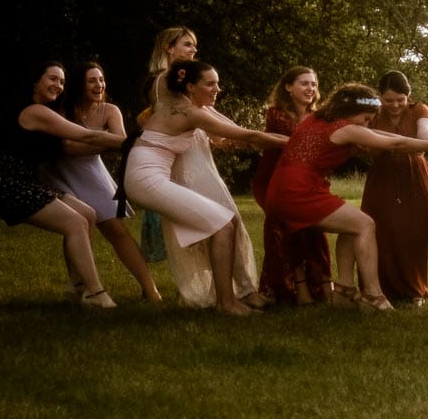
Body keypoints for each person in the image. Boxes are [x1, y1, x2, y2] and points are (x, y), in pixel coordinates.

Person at [263, 81, 428, 311]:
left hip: (284, 189)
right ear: (352, 112)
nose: (367, 123)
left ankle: (344, 289)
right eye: (365, 118)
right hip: (298, 192)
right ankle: (373, 294)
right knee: (365, 224)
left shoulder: (321, 119)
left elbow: (374, 133)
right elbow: (396, 142)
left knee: (351, 225)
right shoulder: (345, 128)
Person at [125, 58, 286, 314]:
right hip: (145, 179)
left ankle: (229, 298)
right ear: (189, 87)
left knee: (227, 222)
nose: (217, 89)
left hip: (143, 175)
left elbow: (239, 134)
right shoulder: (191, 113)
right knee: (223, 225)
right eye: (210, 84)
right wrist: (299, 142)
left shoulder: (177, 104)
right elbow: (250, 136)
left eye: (218, 83)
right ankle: (226, 303)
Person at [0, 61, 129, 308]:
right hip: (4, 184)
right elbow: (87, 135)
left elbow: (77, 146)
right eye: (52, 79)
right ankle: (95, 293)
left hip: (26, 181)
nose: (58, 86)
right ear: (35, 82)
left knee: (87, 213)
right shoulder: (36, 112)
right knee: (74, 222)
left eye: (61, 81)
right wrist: (132, 143)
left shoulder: (46, 111)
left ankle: (76, 286)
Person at [46, 59, 162, 302]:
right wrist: (101, 141)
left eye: (101, 79)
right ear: (79, 84)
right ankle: (78, 286)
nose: (99, 84)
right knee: (75, 225)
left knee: (117, 231)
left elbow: (120, 143)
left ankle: (150, 289)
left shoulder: (110, 110)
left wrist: (90, 143)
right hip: (61, 172)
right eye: (92, 80)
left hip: (92, 173)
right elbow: (65, 147)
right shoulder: (63, 109)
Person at [251, 67, 333, 305]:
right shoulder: (277, 115)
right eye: (304, 84)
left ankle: (324, 287)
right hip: (278, 182)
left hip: (311, 181)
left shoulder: (320, 116)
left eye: (314, 84)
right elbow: (298, 145)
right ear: (288, 87)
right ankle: (298, 288)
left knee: (317, 233)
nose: (311, 89)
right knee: (290, 231)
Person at [360, 70, 428, 304]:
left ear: (408, 96)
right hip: (382, 175)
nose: (394, 105)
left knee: (414, 231)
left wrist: (399, 144)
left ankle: (414, 290)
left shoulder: (419, 109)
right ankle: (381, 288)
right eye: (388, 100)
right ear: (379, 97)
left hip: (413, 173)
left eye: (400, 100)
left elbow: (426, 137)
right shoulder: (372, 112)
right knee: (381, 229)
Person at [135, 25, 199, 261]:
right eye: (187, 44)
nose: (194, 49)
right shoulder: (162, 80)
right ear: (168, 48)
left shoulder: (192, 78)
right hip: (168, 148)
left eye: (194, 45)